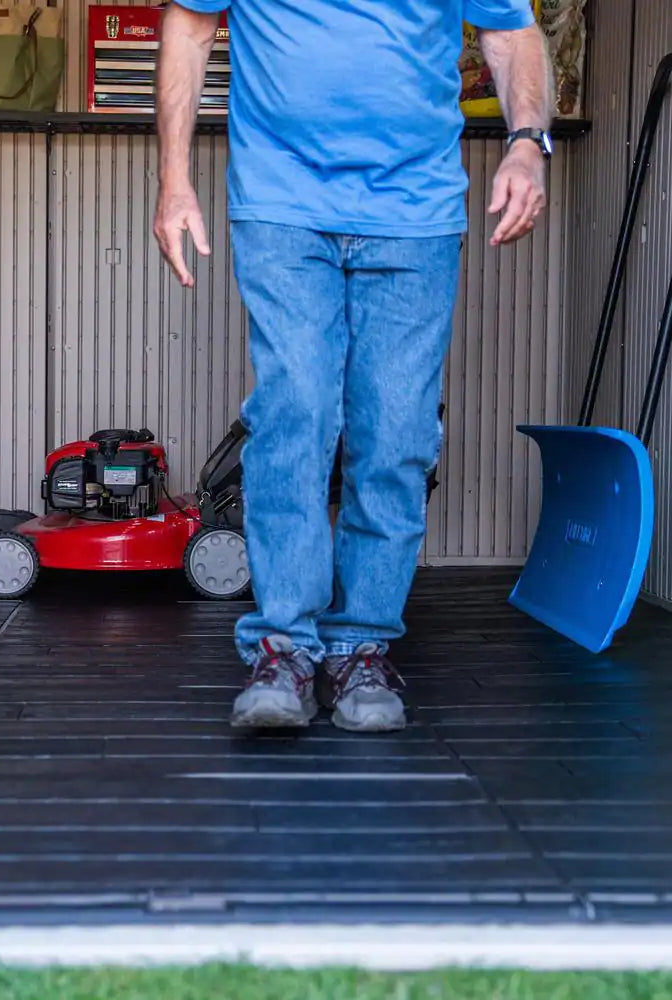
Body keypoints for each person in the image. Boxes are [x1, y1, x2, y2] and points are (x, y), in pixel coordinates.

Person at [152, 0, 554, 732]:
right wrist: (174, 180)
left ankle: (362, 645)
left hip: (416, 213)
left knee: (397, 432)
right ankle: (285, 648)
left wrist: (528, 141)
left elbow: (511, 31)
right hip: (282, 204)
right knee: (295, 413)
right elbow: (190, 25)